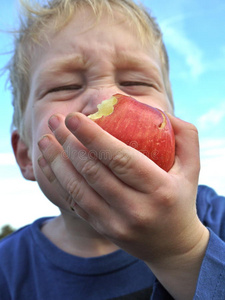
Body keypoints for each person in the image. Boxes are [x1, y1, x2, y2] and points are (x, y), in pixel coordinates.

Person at [1, 0, 225, 299]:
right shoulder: (8, 270)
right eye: (64, 86)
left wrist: (182, 249)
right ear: (26, 156)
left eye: (135, 82)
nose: (108, 98)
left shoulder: (216, 219)